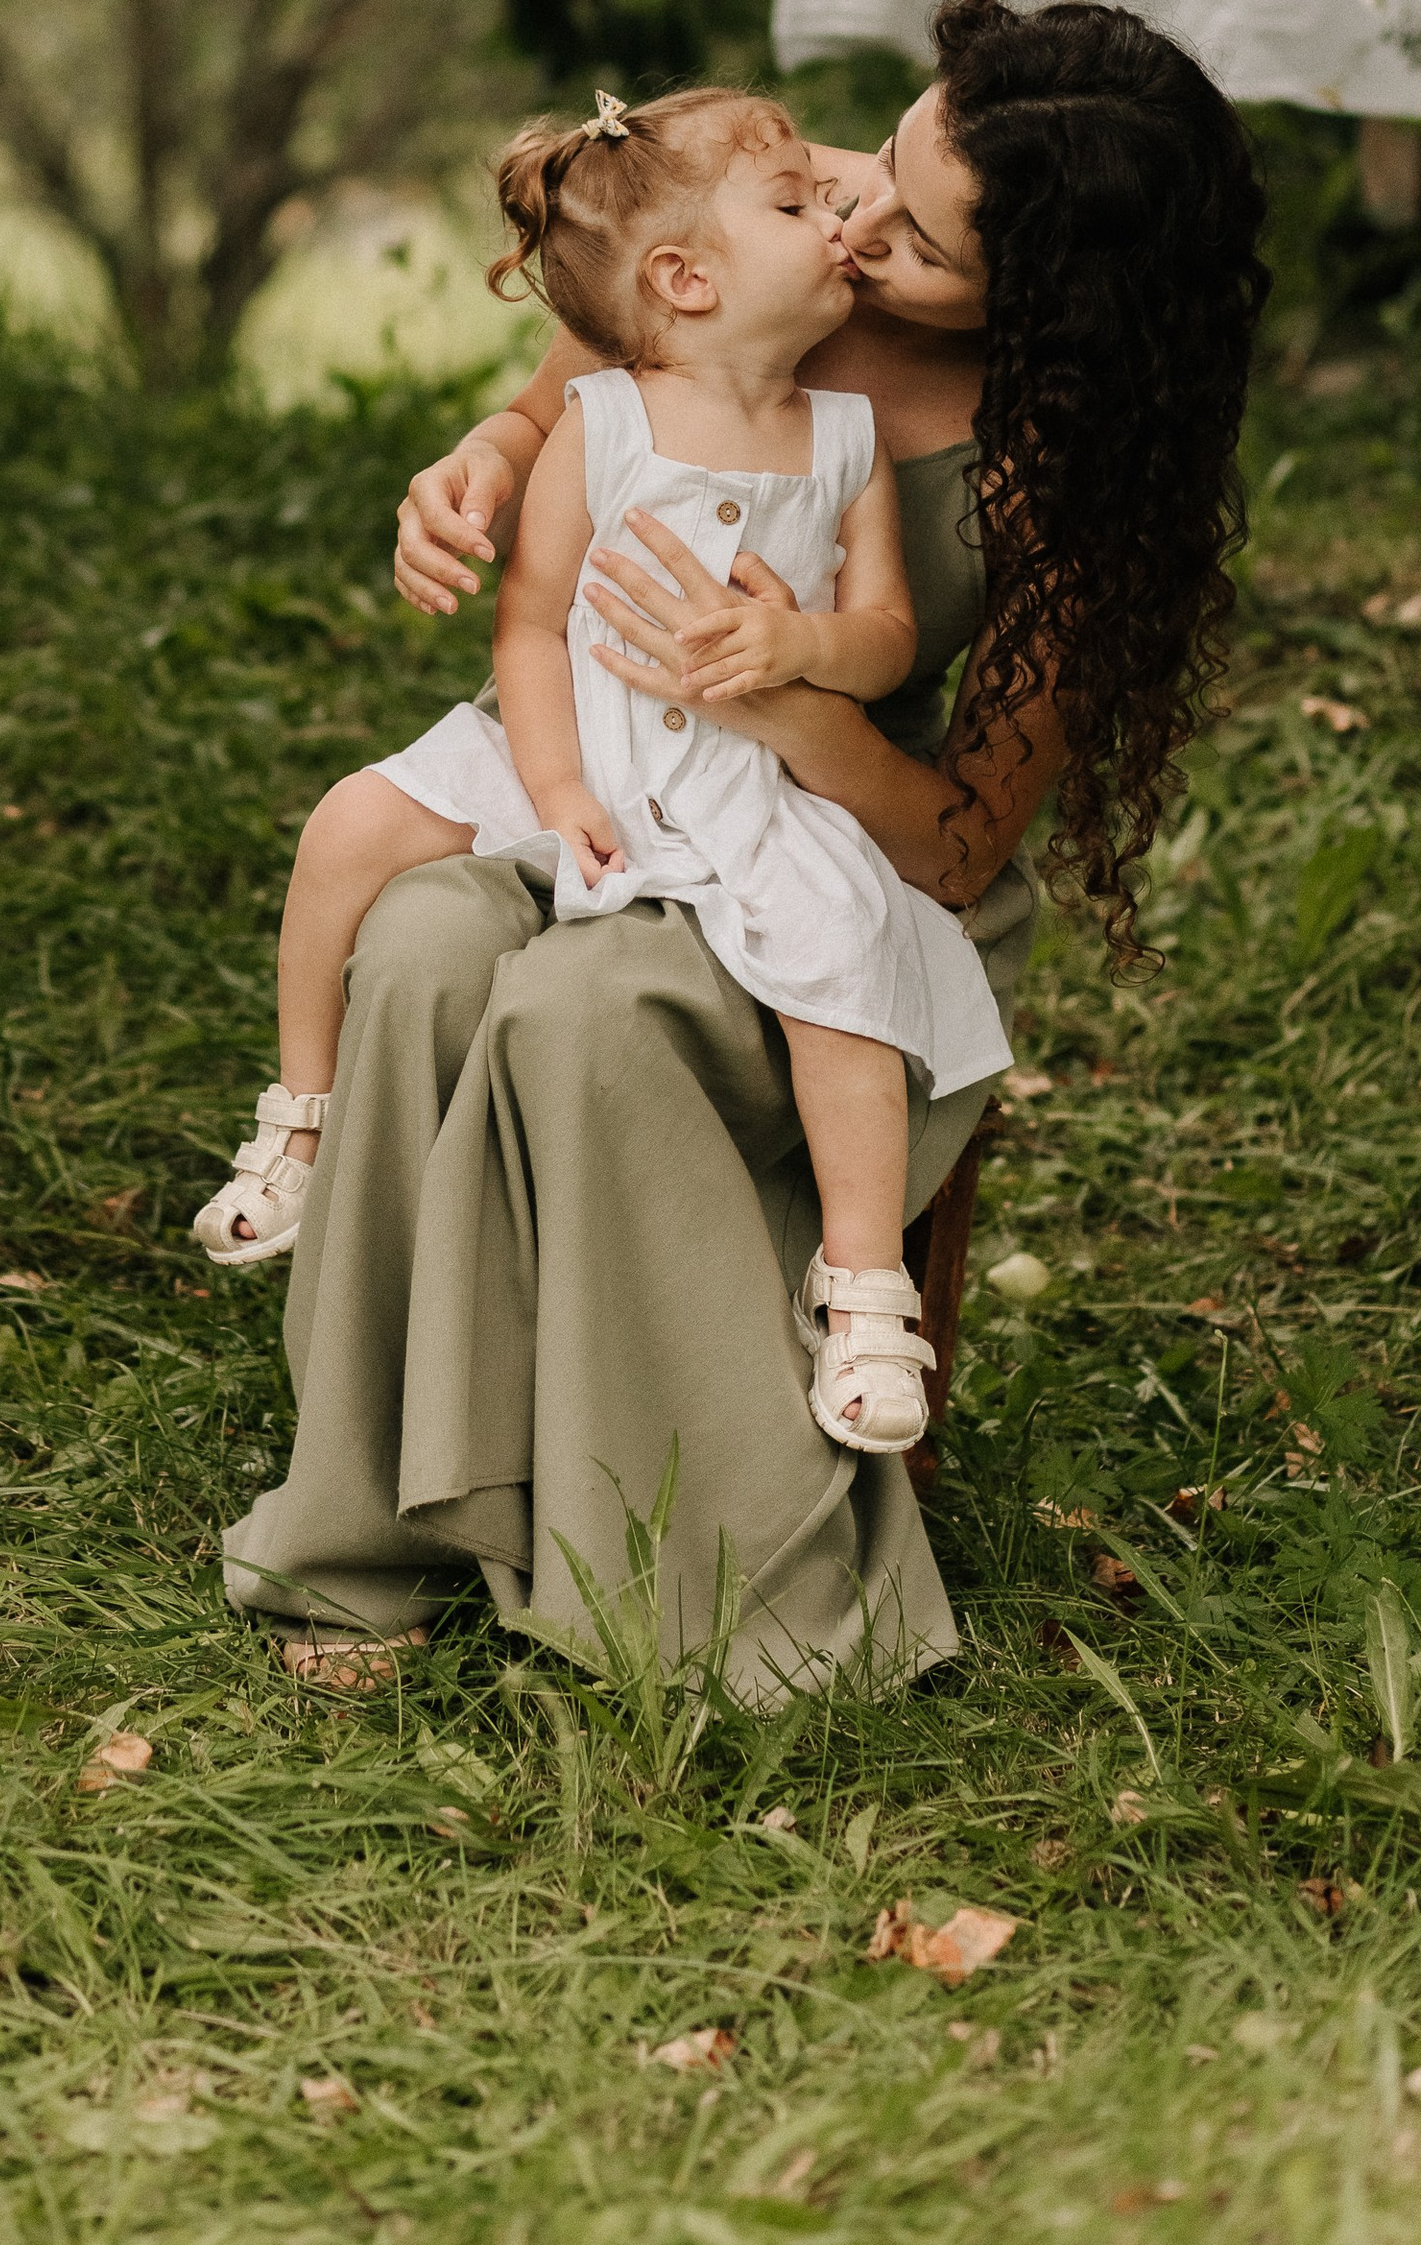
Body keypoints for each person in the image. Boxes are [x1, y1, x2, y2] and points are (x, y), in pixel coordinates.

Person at [221, 0, 1268, 1701]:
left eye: (921, 238)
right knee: (418, 939)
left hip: (851, 887)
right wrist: (482, 460)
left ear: (1047, 310)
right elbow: (583, 379)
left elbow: (951, 846)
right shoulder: (801, 214)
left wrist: (795, 699)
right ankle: (381, 1526)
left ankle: (727, 1597)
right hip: (627, 789)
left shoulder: (1059, 474)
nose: (858, 220)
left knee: (585, 1013)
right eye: (883, 162)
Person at [192, 83, 1006, 1453]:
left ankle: (864, 1293)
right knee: (350, 824)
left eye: (888, 228)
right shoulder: (610, 418)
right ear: (685, 280)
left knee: (847, 960)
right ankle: (302, 1120)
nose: (846, 224)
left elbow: (886, 639)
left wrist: (799, 645)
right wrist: (558, 790)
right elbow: (531, 618)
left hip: (759, 781)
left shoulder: (848, 443)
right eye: (811, 200)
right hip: (583, 744)